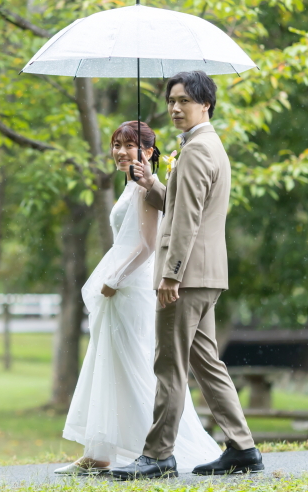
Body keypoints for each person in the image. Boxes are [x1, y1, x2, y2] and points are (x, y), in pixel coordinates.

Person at [111, 71, 264, 480]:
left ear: (205, 104)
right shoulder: (204, 145)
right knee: (207, 363)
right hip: (205, 275)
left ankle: (158, 455)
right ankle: (243, 448)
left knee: (169, 364)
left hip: (188, 276)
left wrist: (171, 276)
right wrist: (152, 182)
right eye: (171, 101)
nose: (175, 108)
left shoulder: (197, 150)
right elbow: (179, 205)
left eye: (184, 101)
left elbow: (188, 222)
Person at [53, 120, 221, 477]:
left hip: (132, 288)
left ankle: (157, 447)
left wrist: (113, 279)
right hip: (119, 288)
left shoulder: (145, 188)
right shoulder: (129, 187)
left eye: (128, 146)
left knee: (137, 367)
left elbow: (146, 246)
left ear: (147, 151)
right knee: (109, 364)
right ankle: (98, 452)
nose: (119, 152)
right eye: (116, 145)